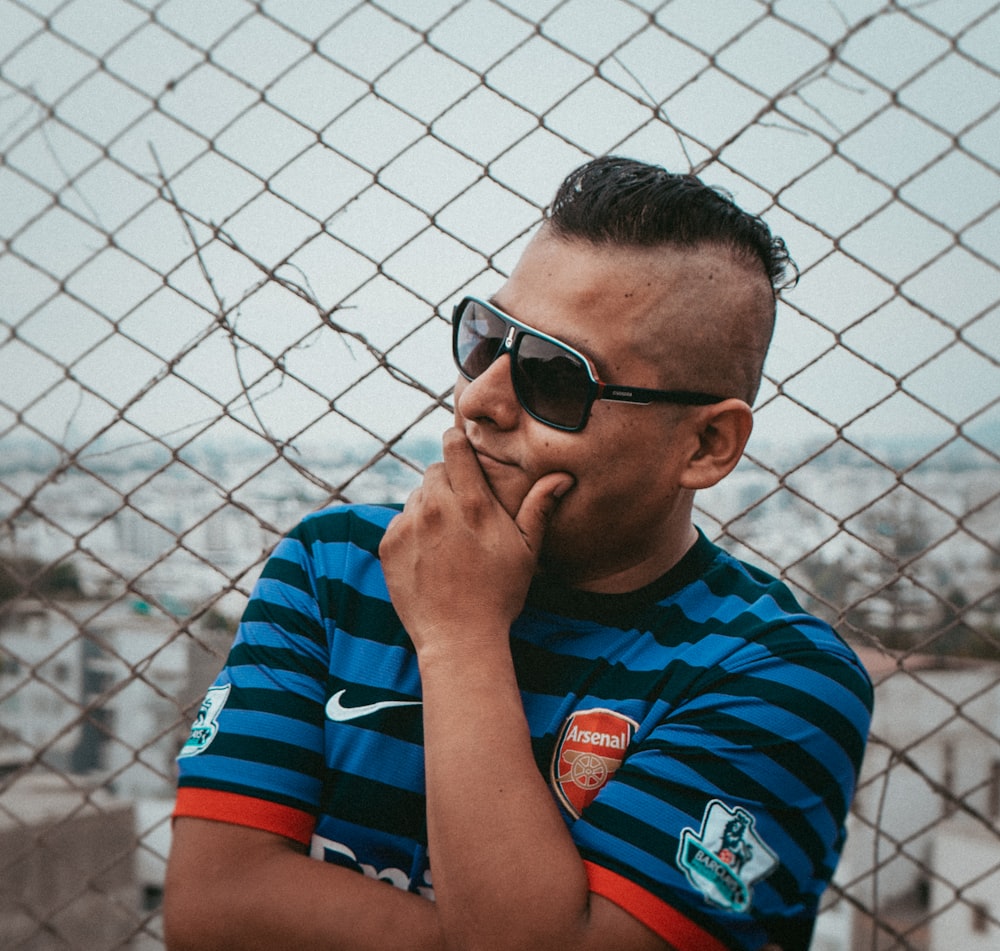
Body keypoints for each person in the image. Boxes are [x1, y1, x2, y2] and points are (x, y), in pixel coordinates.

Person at [164, 156, 873, 951]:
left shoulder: (777, 677)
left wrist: (460, 636)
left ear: (707, 443)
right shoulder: (338, 569)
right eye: (487, 339)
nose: (480, 398)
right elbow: (213, 904)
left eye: (553, 377)